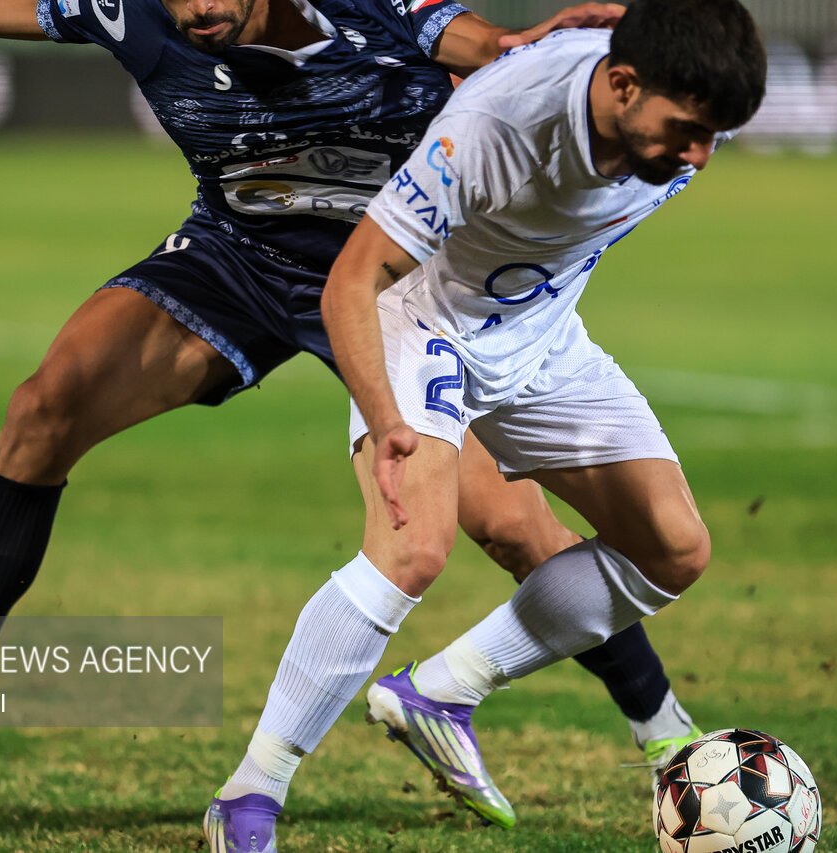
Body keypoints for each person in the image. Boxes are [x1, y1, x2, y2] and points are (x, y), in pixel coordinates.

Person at [0, 0, 702, 794]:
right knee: (40, 412)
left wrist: (519, 47)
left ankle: (665, 735)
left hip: (398, 286)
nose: (195, 9)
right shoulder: (129, 10)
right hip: (238, 255)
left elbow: (482, 47)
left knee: (511, 527)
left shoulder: (365, 11)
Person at [206, 0, 766, 848]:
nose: (698, 155)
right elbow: (352, 281)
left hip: (540, 331)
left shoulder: (656, 91)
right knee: (412, 548)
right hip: (423, 319)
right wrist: (387, 417)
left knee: (674, 547)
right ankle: (250, 796)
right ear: (621, 84)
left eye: (715, 134)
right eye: (687, 130)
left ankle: (443, 690)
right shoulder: (499, 126)